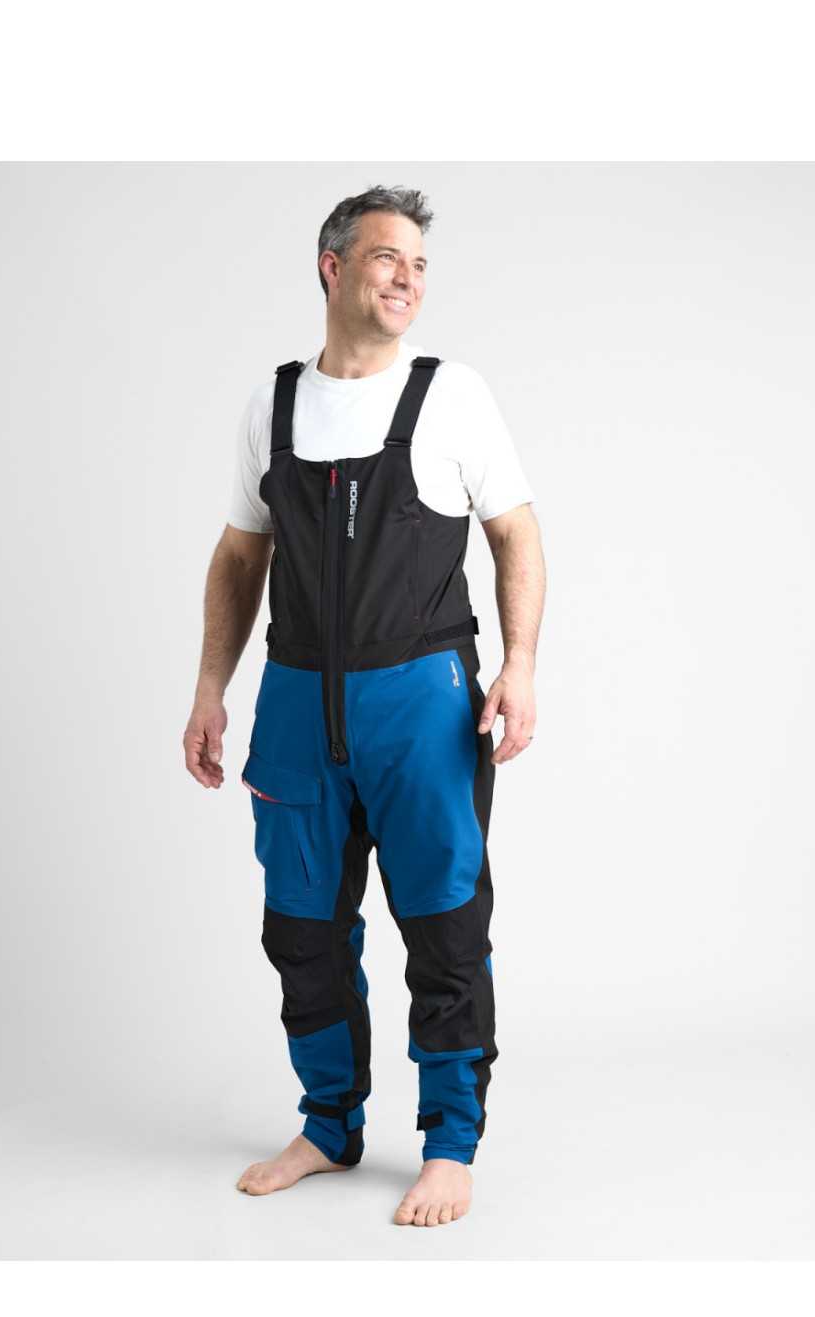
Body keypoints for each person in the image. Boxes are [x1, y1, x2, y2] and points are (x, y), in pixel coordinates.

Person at [183, 185, 546, 1227]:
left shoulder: (452, 395)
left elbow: (516, 533)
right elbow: (239, 557)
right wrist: (209, 688)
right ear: (331, 266)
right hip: (295, 704)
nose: (407, 279)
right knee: (301, 930)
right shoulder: (273, 406)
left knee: (443, 924)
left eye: (420, 265)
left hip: (420, 705)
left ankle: (449, 1144)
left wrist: (519, 665)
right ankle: (328, 1125)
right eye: (389, 258)